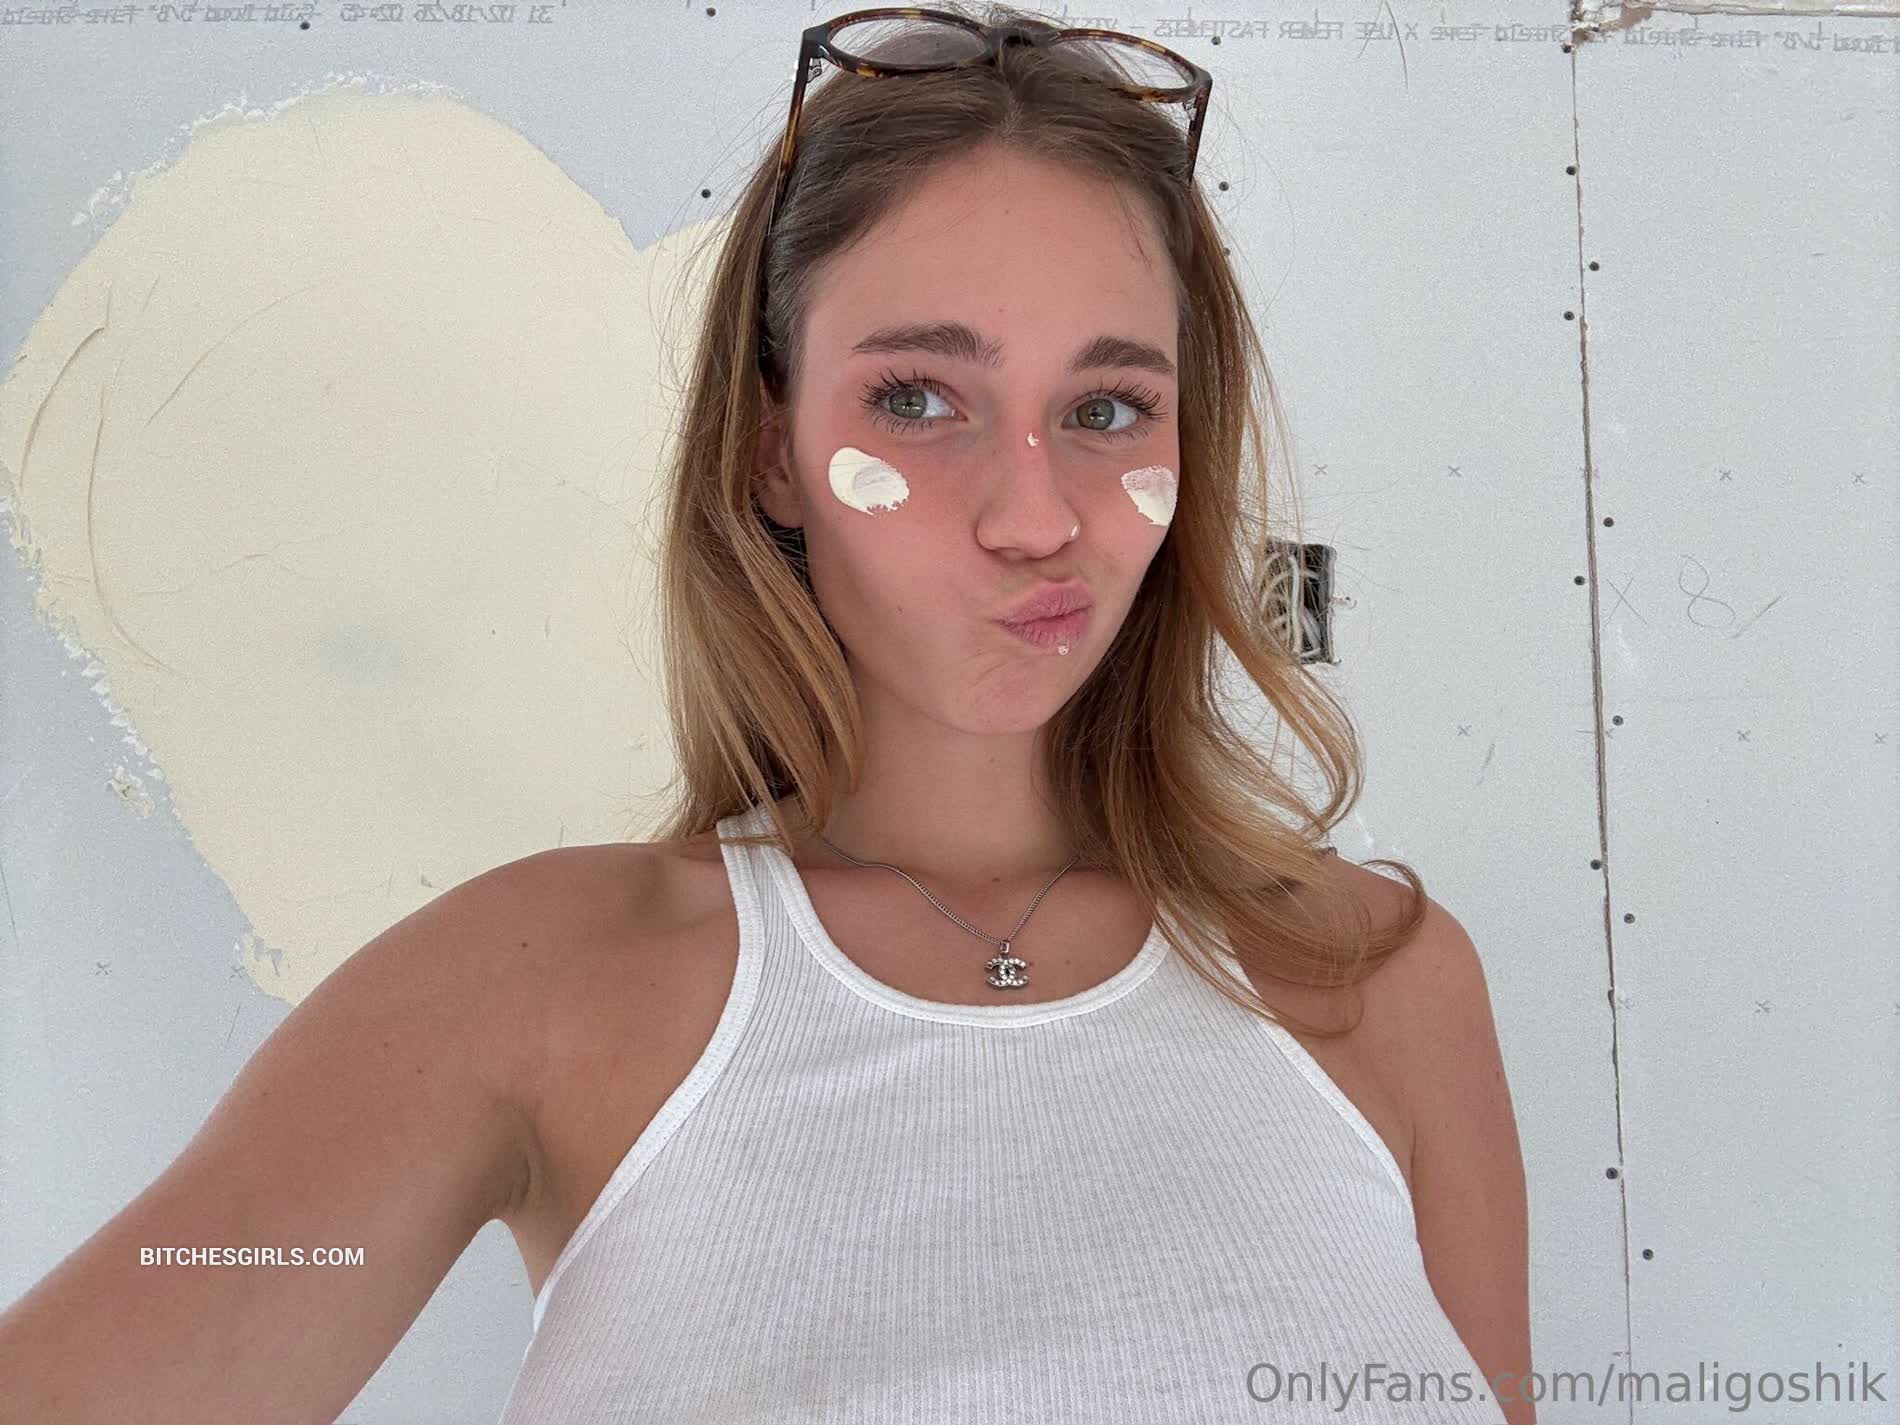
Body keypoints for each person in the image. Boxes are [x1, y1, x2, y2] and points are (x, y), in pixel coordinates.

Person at [0, 5, 1534, 1422]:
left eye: (1106, 408)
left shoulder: (1381, 982)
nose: (1034, 516)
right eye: (918, 399)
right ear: (769, 448)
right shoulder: (532, 984)